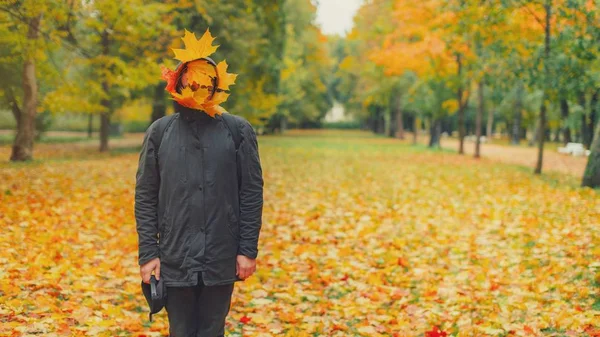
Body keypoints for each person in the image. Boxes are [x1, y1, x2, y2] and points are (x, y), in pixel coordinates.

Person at [134, 29, 264, 337]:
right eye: (191, 81)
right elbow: (145, 195)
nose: (198, 88)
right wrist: (148, 253)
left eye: (206, 82)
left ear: (217, 86)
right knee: (180, 330)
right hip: (174, 256)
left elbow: (251, 193)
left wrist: (247, 250)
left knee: (211, 330)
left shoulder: (237, 131)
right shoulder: (159, 132)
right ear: (177, 82)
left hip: (221, 255)